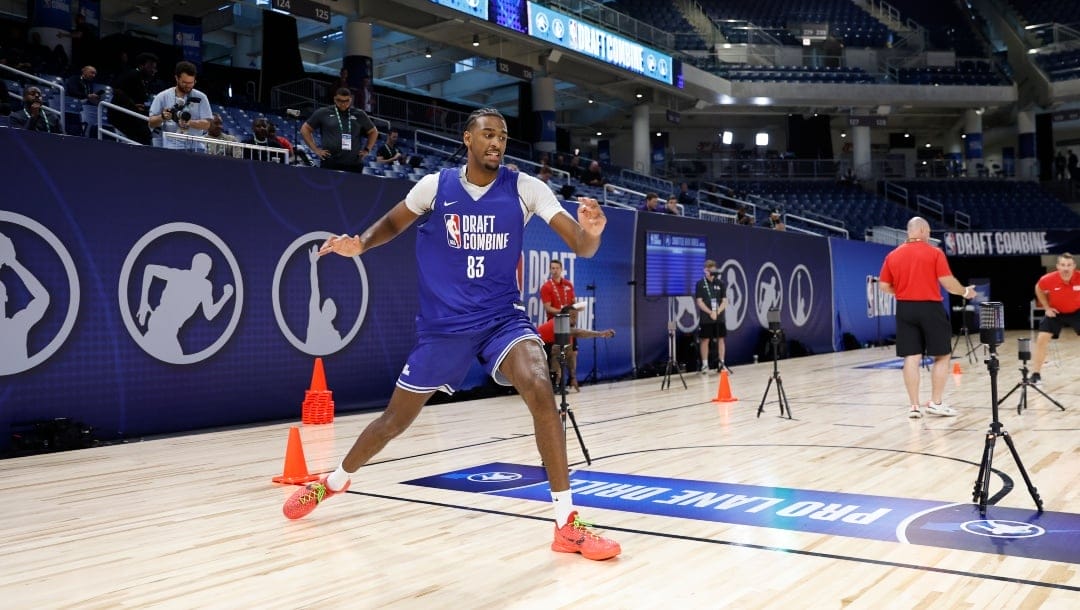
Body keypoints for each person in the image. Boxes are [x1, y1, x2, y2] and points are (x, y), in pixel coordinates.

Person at [284, 107, 621, 561]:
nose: (496, 143)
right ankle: (333, 483)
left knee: (540, 386)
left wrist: (594, 234)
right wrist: (359, 244)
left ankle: (566, 523)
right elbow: (392, 224)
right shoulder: (435, 187)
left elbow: (580, 244)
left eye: (502, 136)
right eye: (487, 134)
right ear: (467, 139)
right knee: (393, 423)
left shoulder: (526, 188)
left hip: (502, 318)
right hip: (444, 329)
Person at [878, 217, 974, 419]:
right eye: (929, 231)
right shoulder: (934, 253)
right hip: (930, 307)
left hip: (905, 308)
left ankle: (914, 406)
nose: (929, 235)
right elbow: (947, 283)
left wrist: (904, 291)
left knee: (911, 357)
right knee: (942, 355)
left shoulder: (893, 255)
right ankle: (936, 403)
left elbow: (884, 286)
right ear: (921, 230)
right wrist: (965, 292)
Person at [1029, 253, 1080, 385]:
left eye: (1069, 265)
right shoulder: (1048, 279)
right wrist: (1046, 307)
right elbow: (1038, 289)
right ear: (1058, 266)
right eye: (1063, 265)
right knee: (1042, 339)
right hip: (1055, 312)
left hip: (1077, 311)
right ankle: (1036, 374)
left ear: (1074, 266)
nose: (1066, 268)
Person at [539, 304, 615, 392]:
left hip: (545, 347)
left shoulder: (566, 331)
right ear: (565, 316)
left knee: (567, 351)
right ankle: (553, 382)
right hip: (535, 347)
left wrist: (573, 377)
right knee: (558, 350)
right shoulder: (558, 323)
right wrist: (601, 333)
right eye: (573, 316)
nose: (575, 320)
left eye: (576, 317)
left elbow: (570, 355)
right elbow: (579, 332)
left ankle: (557, 382)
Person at [300, 88, 378, 172]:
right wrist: (316, 150)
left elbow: (373, 132)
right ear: (334, 99)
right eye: (340, 100)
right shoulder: (323, 112)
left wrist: (367, 150)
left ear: (350, 100)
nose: (343, 104)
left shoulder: (359, 114)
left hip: (354, 164)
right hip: (330, 163)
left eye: (346, 101)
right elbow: (305, 129)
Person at [148, 61, 212, 151]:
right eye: (184, 83)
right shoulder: (162, 96)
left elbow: (207, 125)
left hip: (196, 146)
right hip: (172, 146)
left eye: (191, 83)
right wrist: (162, 116)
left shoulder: (201, 97)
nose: (188, 86)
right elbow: (151, 122)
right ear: (176, 78)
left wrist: (190, 122)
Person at [540, 259, 577, 390]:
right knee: (556, 355)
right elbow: (548, 308)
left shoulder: (568, 285)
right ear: (550, 270)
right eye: (552, 268)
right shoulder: (546, 287)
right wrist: (563, 311)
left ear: (561, 270)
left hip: (568, 324)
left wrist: (573, 312)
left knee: (572, 352)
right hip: (555, 325)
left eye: (557, 268)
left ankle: (571, 380)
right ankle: (555, 384)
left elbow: (573, 303)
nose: (554, 270)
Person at [110, 52, 158, 145]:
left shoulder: (145, 80)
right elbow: (117, 90)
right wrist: (132, 104)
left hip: (133, 115)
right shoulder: (132, 75)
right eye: (150, 66)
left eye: (155, 67)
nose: (153, 70)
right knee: (144, 134)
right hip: (121, 115)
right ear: (141, 66)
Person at [694, 259, 728, 374]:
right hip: (706, 318)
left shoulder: (720, 283)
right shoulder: (700, 284)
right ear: (705, 271)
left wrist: (717, 311)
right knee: (705, 340)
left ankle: (721, 363)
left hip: (719, 317)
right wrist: (710, 312)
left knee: (721, 339)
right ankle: (705, 365)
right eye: (709, 270)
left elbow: (725, 301)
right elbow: (699, 302)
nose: (711, 272)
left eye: (713, 270)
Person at [63, 65, 102, 136]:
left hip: (86, 104)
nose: (94, 75)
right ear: (84, 71)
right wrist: (88, 96)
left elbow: (88, 96)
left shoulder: (89, 83)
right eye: (92, 73)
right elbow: (72, 91)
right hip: (73, 103)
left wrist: (93, 98)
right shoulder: (74, 79)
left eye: (95, 74)